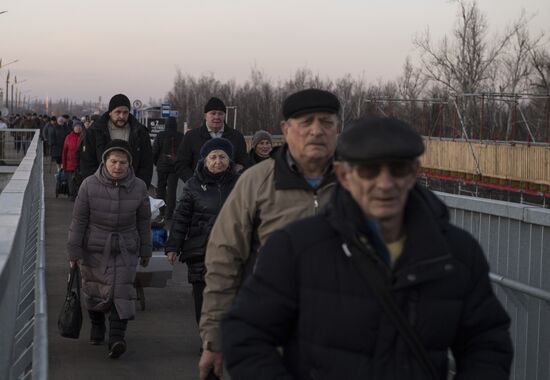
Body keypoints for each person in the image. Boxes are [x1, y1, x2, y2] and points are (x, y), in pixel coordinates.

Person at [222, 116, 514, 379]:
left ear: (414, 173)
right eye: (370, 171)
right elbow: (246, 334)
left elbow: (486, 342)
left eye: (397, 170)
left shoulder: (457, 253)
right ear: (344, 176)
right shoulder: (296, 248)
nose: (385, 184)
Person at [198, 88, 341, 379]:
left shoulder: (359, 183)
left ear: (338, 130)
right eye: (305, 122)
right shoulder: (256, 182)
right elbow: (224, 260)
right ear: (286, 130)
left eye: (326, 122)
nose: (316, 131)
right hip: (268, 338)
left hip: (341, 340)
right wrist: (214, 338)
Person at [67, 139, 152, 359]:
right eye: (114, 161)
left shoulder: (139, 187)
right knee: (95, 289)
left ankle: (117, 338)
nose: (118, 166)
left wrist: (146, 249)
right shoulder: (88, 185)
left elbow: (143, 221)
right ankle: (97, 327)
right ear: (105, 161)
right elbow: (78, 221)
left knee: (121, 291)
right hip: (94, 247)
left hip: (126, 246)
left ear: (129, 164)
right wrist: (73, 251)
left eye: (123, 162)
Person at [165, 138, 239, 330]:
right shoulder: (193, 185)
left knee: (229, 297)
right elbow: (181, 217)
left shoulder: (241, 183)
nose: (217, 161)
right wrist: (173, 246)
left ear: (229, 160)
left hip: (233, 250)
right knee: (204, 299)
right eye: (213, 157)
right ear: (204, 160)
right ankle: (207, 338)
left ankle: (224, 339)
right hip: (200, 251)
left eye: (222, 157)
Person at [79, 93, 153, 188]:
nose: (122, 116)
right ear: (110, 112)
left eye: (125, 112)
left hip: (131, 190)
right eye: (118, 112)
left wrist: (140, 188)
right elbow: (87, 162)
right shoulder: (95, 131)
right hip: (101, 189)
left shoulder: (140, 132)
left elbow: (146, 164)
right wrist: (94, 187)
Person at [174, 97, 249, 182]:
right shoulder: (191, 137)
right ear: (205, 115)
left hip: (229, 190)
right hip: (200, 191)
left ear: (224, 115)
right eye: (213, 113)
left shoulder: (236, 136)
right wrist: (194, 183)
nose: (217, 117)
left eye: (220, 114)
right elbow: (180, 164)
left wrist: (238, 172)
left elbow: (245, 162)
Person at [152, 116, 184, 220]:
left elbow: (155, 151)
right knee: (172, 190)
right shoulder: (181, 136)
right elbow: (184, 153)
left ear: (166, 124)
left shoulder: (160, 135)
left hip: (162, 166)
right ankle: (169, 213)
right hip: (175, 168)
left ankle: (161, 211)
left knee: (160, 188)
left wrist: (157, 162)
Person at [61, 121, 83, 200]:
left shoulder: (84, 137)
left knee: (80, 181)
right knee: (71, 181)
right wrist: (63, 164)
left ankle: (78, 196)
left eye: (79, 126)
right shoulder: (68, 137)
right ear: (73, 127)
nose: (78, 128)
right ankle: (72, 195)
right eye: (76, 126)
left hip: (81, 163)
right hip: (70, 163)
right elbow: (64, 151)